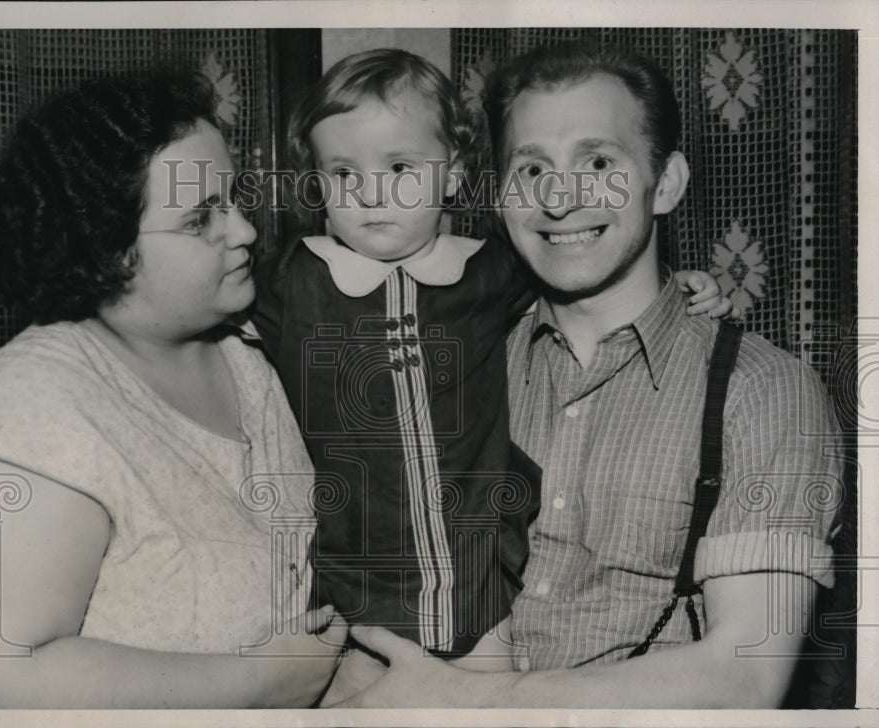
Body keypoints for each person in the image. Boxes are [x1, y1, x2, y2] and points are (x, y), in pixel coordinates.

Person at [334, 42, 843, 708]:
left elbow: (744, 677)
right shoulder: (453, 360)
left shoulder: (762, 391)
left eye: (598, 162)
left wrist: (468, 703)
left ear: (666, 183)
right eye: (532, 167)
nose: (560, 198)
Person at [251, 48, 737, 703]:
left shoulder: (489, 272)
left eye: (399, 167)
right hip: (349, 613)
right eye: (343, 173)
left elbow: (590, 272)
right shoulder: (290, 282)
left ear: (453, 173)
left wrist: (686, 285)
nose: (369, 193)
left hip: (482, 608)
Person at [0, 72, 346, 709]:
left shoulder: (245, 349)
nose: (244, 232)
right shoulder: (33, 407)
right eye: (201, 218)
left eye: (234, 199)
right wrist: (260, 682)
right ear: (108, 248)